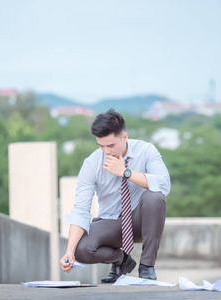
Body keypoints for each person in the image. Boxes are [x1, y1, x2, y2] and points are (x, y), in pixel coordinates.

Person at [59, 108, 170, 283]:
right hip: (111, 222)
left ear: (124, 137)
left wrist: (126, 172)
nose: (106, 152)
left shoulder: (146, 151)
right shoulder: (91, 164)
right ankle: (122, 261)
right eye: (101, 146)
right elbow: (81, 210)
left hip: (141, 219)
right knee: (81, 249)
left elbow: (164, 185)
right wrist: (69, 251)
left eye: (111, 145)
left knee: (155, 197)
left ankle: (147, 266)